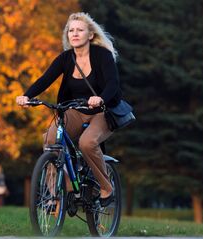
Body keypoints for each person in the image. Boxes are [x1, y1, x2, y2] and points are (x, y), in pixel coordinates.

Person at [16, 12, 121, 207]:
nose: (74, 33)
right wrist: (27, 96)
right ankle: (58, 192)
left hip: (102, 112)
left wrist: (100, 98)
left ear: (90, 35)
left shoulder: (102, 56)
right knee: (50, 139)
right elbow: (45, 79)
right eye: (71, 30)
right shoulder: (65, 58)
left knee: (87, 143)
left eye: (79, 30)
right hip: (75, 110)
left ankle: (107, 188)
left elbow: (113, 84)